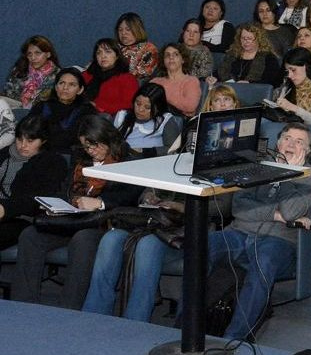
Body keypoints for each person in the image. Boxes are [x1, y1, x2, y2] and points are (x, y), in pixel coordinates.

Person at [12, 114, 141, 309]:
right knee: (31, 235)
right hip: (73, 217)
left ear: (108, 139)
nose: (91, 151)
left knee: (83, 240)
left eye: (95, 145)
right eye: (86, 146)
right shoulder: (80, 157)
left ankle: (69, 308)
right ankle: (24, 305)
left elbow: (129, 196)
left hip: (103, 222)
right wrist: (56, 205)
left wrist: (100, 202)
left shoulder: (127, 160)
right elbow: (66, 188)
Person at [208, 123, 311, 341]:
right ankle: (183, 327)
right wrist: (275, 214)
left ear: (307, 151)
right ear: (277, 143)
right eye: (287, 138)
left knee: (264, 262)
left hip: (278, 241)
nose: (290, 144)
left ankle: (233, 340)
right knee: (204, 247)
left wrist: (290, 176)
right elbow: (239, 208)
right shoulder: (257, 168)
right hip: (239, 232)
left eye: (299, 142)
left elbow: (289, 212)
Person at [81, 185, 185, 322]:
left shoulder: (208, 169)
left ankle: (135, 320)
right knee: (110, 239)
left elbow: (221, 206)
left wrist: (181, 206)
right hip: (150, 225)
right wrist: (147, 197)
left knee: (148, 245)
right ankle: (93, 314)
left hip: (179, 236)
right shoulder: (167, 165)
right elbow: (145, 190)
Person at [0, 115, 70, 249]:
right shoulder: (4, 154)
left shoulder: (52, 162)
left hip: (22, 217)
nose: (23, 145)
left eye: (30, 141)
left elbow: (40, 198)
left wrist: (5, 209)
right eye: (20, 139)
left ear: (43, 140)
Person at [29, 68, 97, 153]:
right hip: (38, 152)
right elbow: (29, 131)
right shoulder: (41, 107)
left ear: (80, 90)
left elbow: (83, 140)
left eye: (72, 84)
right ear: (56, 87)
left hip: (69, 155)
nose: (65, 88)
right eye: (61, 83)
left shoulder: (87, 110)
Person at [113, 82, 179, 158]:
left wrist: (145, 151)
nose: (140, 110)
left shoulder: (165, 120)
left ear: (158, 108)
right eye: (138, 103)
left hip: (152, 161)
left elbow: (173, 149)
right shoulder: (122, 115)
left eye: (147, 107)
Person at [81, 38, 139, 116]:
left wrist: (98, 106)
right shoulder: (86, 75)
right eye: (99, 53)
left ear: (117, 55)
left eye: (108, 52)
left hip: (107, 119)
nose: (103, 56)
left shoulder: (127, 78)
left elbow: (130, 104)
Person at [212, 23, 282, 86]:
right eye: (243, 38)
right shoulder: (232, 54)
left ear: (259, 39)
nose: (246, 41)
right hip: (228, 91)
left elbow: (272, 81)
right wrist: (211, 78)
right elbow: (219, 73)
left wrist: (250, 83)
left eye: (250, 38)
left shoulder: (269, 58)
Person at [2, 35, 60, 109]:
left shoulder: (58, 76)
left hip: (41, 114)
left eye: (37, 53)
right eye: (29, 54)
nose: (33, 58)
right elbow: (8, 94)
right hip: (15, 110)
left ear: (48, 54)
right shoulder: (19, 71)